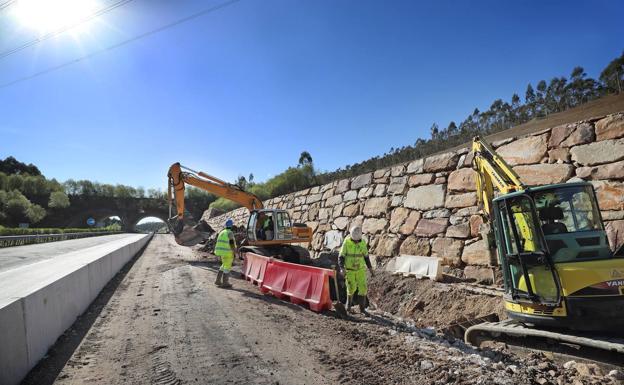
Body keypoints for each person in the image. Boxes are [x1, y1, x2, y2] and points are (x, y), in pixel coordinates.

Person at [338, 226, 375, 314]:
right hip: (349, 270)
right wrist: (342, 268)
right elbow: (341, 257)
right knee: (351, 288)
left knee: (363, 288)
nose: (356, 242)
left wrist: (370, 269)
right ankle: (348, 306)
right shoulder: (346, 243)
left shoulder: (362, 243)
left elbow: (366, 257)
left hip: (360, 270)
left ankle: (362, 309)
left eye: (357, 240)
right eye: (355, 240)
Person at [214, 218, 237, 288]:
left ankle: (218, 280)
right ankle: (225, 283)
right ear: (232, 226)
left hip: (221, 252)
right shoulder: (230, 233)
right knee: (227, 267)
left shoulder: (222, 232)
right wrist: (234, 252)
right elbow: (231, 243)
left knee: (223, 265)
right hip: (228, 252)